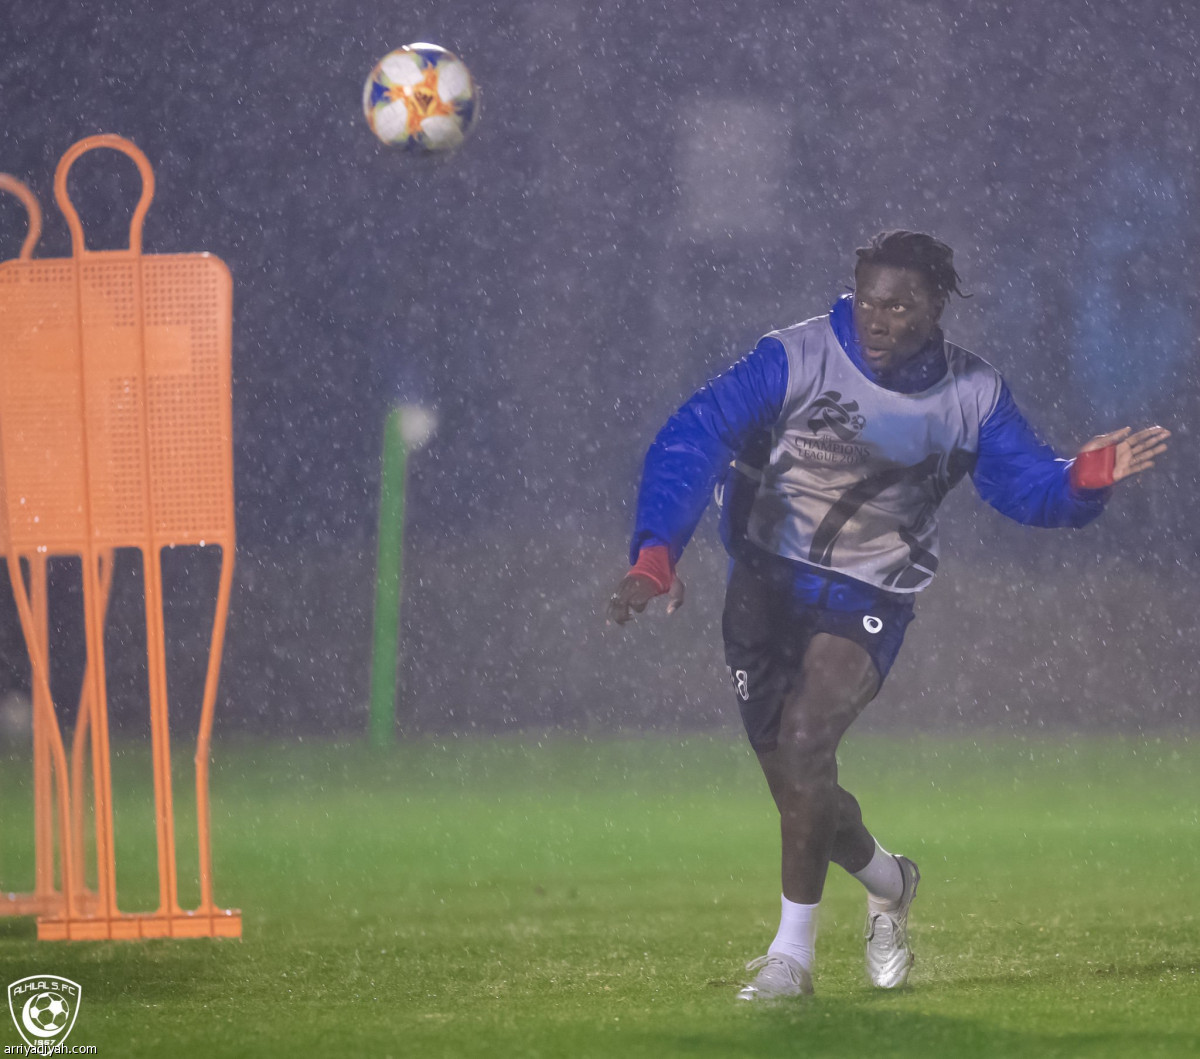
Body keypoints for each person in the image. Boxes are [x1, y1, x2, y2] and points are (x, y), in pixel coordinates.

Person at [605, 230, 1169, 1001]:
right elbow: (693, 435)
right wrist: (655, 554)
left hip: (870, 595)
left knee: (806, 745)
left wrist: (1084, 478)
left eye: (901, 306)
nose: (879, 319)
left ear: (937, 306)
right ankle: (889, 880)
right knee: (800, 787)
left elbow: (1029, 487)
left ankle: (790, 959)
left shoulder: (972, 393)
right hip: (763, 588)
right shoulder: (794, 357)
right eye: (869, 300)